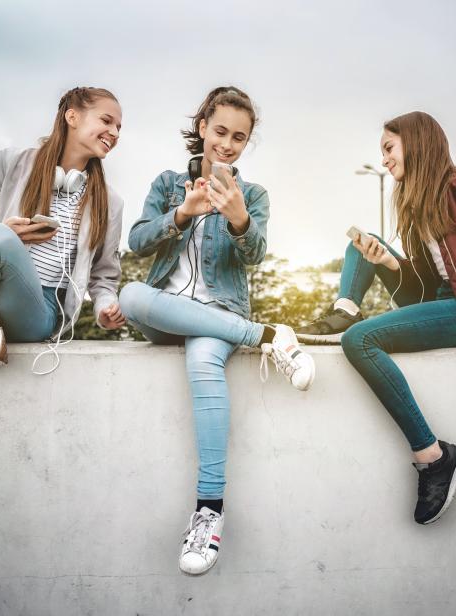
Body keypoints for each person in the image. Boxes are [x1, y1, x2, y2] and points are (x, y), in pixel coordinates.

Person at [297, 111, 456, 524]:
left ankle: (434, 458)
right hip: (443, 303)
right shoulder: (415, 208)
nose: (385, 160)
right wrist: (392, 267)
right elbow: (421, 292)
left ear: (416, 143)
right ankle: (343, 311)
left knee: (360, 341)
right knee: (367, 244)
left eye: (389, 149)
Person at [119, 86, 315, 575]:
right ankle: (266, 336)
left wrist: (239, 220)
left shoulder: (253, 195)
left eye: (240, 137)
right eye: (221, 131)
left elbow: (256, 255)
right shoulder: (167, 182)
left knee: (205, 362)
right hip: (166, 309)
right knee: (130, 297)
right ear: (202, 126)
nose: (228, 144)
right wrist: (182, 214)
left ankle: (209, 513)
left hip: (218, 314)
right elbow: (138, 241)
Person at [0, 87, 126, 368]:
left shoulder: (111, 202)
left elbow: (104, 277)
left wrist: (104, 307)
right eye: (107, 121)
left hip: (39, 311)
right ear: (72, 117)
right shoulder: (9, 162)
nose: (116, 132)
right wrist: (6, 236)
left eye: (119, 127)